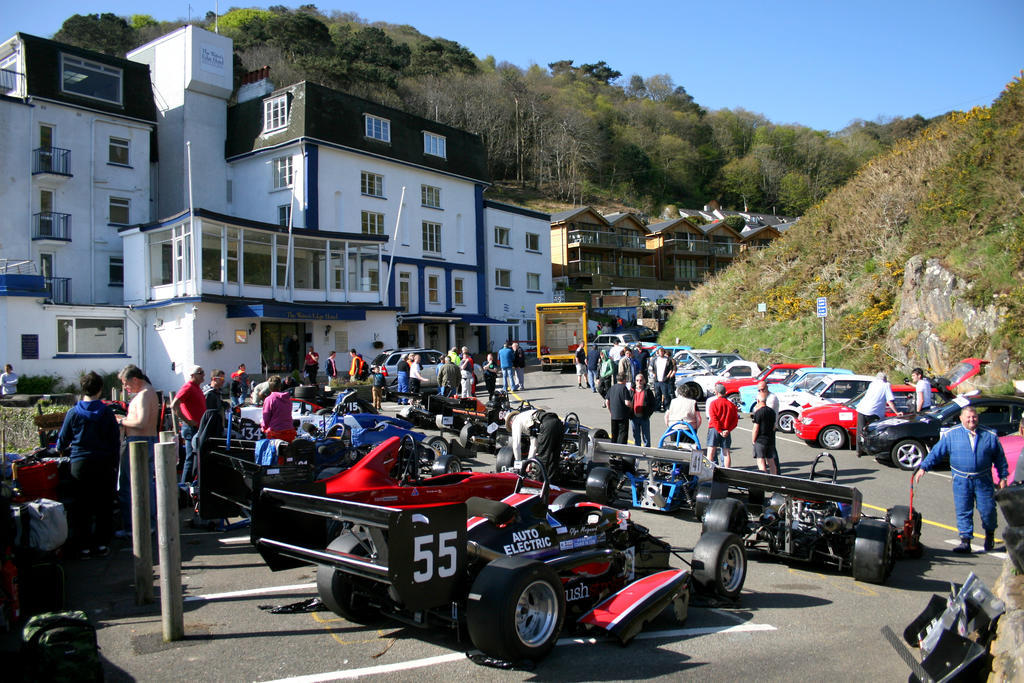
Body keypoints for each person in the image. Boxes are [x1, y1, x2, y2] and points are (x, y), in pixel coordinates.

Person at [914, 406, 1009, 553]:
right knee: (963, 510)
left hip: (983, 480)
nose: (971, 420)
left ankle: (989, 536)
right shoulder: (951, 435)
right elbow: (936, 452)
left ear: (978, 417)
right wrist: (923, 468)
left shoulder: (989, 435)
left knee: (988, 510)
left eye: (974, 417)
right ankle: (965, 541)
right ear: (961, 418)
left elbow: (1000, 458)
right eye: (968, 417)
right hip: (961, 480)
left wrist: (1003, 476)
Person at [57, 371, 119, 558]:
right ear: (100, 390)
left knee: (80, 506)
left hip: (80, 463)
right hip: (103, 462)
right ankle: (100, 544)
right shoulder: (107, 412)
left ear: (82, 389)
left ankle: (82, 545)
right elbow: (114, 440)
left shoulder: (73, 412)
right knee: (103, 505)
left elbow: (62, 440)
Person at [116, 364, 159, 538]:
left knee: (131, 486)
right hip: (145, 440)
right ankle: (148, 524)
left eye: (126, 384)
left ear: (135, 379)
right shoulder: (149, 392)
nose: (125, 388)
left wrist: (121, 421)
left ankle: (136, 526)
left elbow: (140, 423)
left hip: (138, 442)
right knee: (145, 484)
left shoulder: (143, 395)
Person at [171, 365, 206, 486]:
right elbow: (174, 405)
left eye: (203, 372)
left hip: (197, 427)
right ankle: (184, 486)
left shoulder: (196, 388)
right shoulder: (188, 387)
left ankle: (191, 485)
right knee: (190, 458)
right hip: (191, 428)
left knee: (195, 457)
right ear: (192, 375)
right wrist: (188, 420)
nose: (203, 375)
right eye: (200, 373)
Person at [856, 372, 901, 454]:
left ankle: (859, 450)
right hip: (874, 411)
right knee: (874, 432)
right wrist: (897, 412)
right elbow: (890, 401)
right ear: (885, 379)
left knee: (861, 431)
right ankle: (873, 450)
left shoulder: (872, 384)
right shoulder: (886, 385)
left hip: (862, 408)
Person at [706, 382, 738, 467]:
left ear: (716, 392)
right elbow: (735, 420)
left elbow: (713, 418)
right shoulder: (731, 405)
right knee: (726, 452)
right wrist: (728, 430)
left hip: (714, 429)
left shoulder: (714, 403)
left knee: (711, 452)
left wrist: (719, 430)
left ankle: (708, 470)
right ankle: (727, 471)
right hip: (726, 430)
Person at [751, 389, 780, 474]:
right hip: (770, 439)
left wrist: (753, 440)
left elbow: (756, 428)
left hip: (760, 440)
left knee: (761, 461)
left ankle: (764, 479)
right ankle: (774, 478)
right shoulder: (771, 412)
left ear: (758, 400)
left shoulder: (758, 412)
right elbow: (774, 426)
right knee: (771, 461)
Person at [261, 375, 296, 442]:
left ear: (269, 387)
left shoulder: (269, 399)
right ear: (280, 386)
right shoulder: (287, 398)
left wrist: (263, 427)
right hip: (290, 431)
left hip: (276, 433)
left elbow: (266, 418)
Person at [630, 373, 656, 447]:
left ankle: (647, 452)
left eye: (641, 380)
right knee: (636, 436)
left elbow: (653, 404)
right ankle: (637, 453)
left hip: (644, 417)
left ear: (644, 381)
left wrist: (648, 414)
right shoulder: (632, 391)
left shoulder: (648, 391)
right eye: (637, 380)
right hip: (634, 417)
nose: (639, 382)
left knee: (646, 437)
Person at [606, 372, 632, 444]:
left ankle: (612, 452)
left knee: (614, 434)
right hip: (622, 415)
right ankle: (619, 452)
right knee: (622, 434)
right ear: (624, 380)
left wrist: (611, 411)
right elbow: (627, 402)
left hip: (614, 415)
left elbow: (607, 401)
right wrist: (632, 406)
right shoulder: (624, 388)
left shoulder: (612, 387)